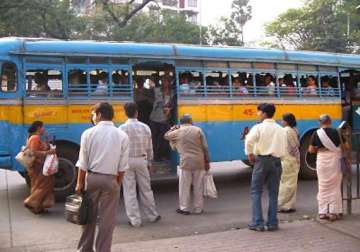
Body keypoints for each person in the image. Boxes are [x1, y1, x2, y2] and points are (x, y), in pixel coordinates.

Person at [76, 102, 129, 252]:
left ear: (99, 114)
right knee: (107, 220)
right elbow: (122, 166)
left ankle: (85, 249)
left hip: (92, 178)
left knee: (88, 216)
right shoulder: (122, 135)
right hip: (111, 179)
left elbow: (83, 162)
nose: (92, 117)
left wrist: (80, 183)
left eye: (93, 114)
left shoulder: (88, 133)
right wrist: (117, 183)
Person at [245, 103, 287, 231]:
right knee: (274, 193)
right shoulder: (281, 129)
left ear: (264, 113)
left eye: (258, 112)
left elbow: (249, 141)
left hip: (262, 161)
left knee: (256, 191)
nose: (257, 115)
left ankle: (258, 223)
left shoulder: (258, 127)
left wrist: (250, 154)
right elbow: (284, 147)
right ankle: (273, 223)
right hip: (276, 162)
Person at [119, 102, 161, 227]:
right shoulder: (145, 127)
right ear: (137, 112)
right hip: (142, 160)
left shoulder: (121, 129)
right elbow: (149, 148)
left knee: (129, 191)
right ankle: (152, 216)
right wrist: (150, 162)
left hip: (127, 161)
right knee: (146, 189)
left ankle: (135, 220)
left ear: (125, 113)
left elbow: (119, 149)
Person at [164, 114, 210, 215]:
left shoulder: (177, 131)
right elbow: (205, 147)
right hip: (199, 162)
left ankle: (184, 208)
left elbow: (166, 136)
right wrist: (207, 161)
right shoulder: (198, 130)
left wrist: (173, 128)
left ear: (181, 122)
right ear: (190, 121)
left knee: (184, 187)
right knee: (198, 186)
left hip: (186, 163)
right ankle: (198, 209)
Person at [308, 114, 343, 221]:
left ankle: (322, 212)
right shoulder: (336, 132)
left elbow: (311, 150)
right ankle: (333, 212)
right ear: (330, 122)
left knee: (323, 185)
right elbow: (343, 146)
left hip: (322, 160)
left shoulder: (316, 133)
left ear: (320, 122)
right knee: (335, 186)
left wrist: (319, 147)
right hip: (334, 159)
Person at [23, 121, 56, 214]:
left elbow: (44, 147)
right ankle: (30, 202)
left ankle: (37, 207)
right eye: (43, 127)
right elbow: (33, 152)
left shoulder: (36, 137)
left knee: (37, 185)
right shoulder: (35, 138)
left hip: (38, 166)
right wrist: (47, 153)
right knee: (45, 185)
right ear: (38, 127)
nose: (44, 129)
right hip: (37, 165)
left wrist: (46, 138)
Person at [278, 113, 300, 213]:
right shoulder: (294, 130)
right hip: (293, 159)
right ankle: (290, 205)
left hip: (287, 159)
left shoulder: (285, 131)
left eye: (282, 120)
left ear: (286, 121)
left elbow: (290, 147)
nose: (281, 121)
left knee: (285, 184)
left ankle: (284, 205)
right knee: (292, 183)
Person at [149, 76, 173, 161]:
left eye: (166, 81)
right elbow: (150, 99)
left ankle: (163, 156)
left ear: (169, 83)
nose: (164, 83)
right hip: (154, 117)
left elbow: (172, 104)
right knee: (154, 138)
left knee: (164, 138)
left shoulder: (171, 92)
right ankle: (155, 156)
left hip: (164, 118)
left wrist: (169, 109)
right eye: (163, 81)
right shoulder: (156, 90)